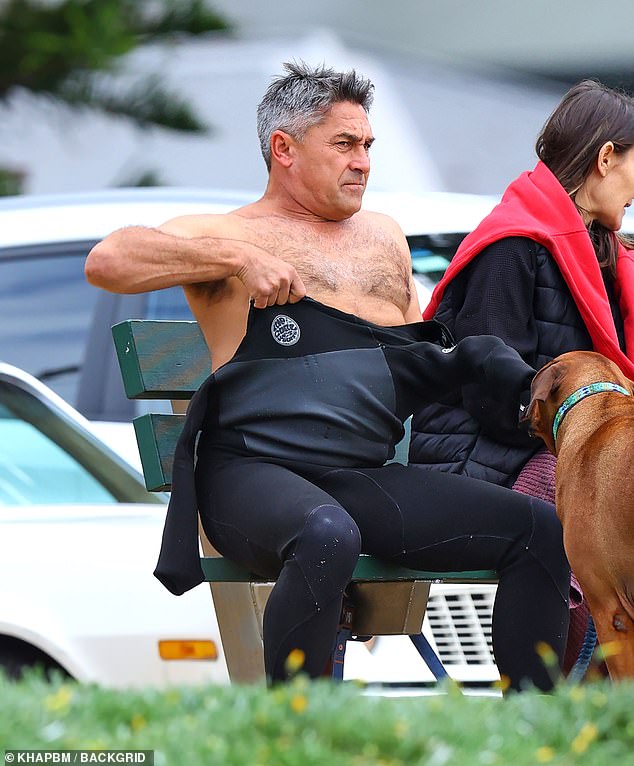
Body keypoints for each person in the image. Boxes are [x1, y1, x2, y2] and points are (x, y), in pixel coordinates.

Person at [85, 61, 570, 692]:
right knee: (324, 533)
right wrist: (236, 257)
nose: (363, 161)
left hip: (361, 477)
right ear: (284, 149)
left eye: (368, 145)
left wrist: (481, 366)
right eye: (344, 144)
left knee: (537, 531)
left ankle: (537, 728)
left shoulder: (384, 238)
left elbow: (408, 361)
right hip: (251, 476)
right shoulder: (227, 233)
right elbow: (108, 260)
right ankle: (296, 734)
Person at [411, 78, 634, 672]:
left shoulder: (606, 252)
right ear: (606, 158)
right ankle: (563, 711)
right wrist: (588, 440)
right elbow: (492, 395)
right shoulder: (511, 246)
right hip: (483, 453)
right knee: (591, 522)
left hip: (570, 449)